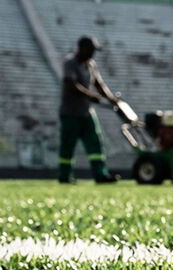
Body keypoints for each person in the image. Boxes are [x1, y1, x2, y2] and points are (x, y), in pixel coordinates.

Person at [57, 36, 119, 184]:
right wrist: (90, 96)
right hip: (70, 113)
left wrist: (111, 98)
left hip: (86, 112)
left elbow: (99, 85)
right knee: (68, 145)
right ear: (81, 48)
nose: (93, 53)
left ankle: (101, 175)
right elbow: (70, 84)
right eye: (90, 50)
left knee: (95, 143)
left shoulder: (91, 64)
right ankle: (65, 176)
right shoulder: (70, 63)